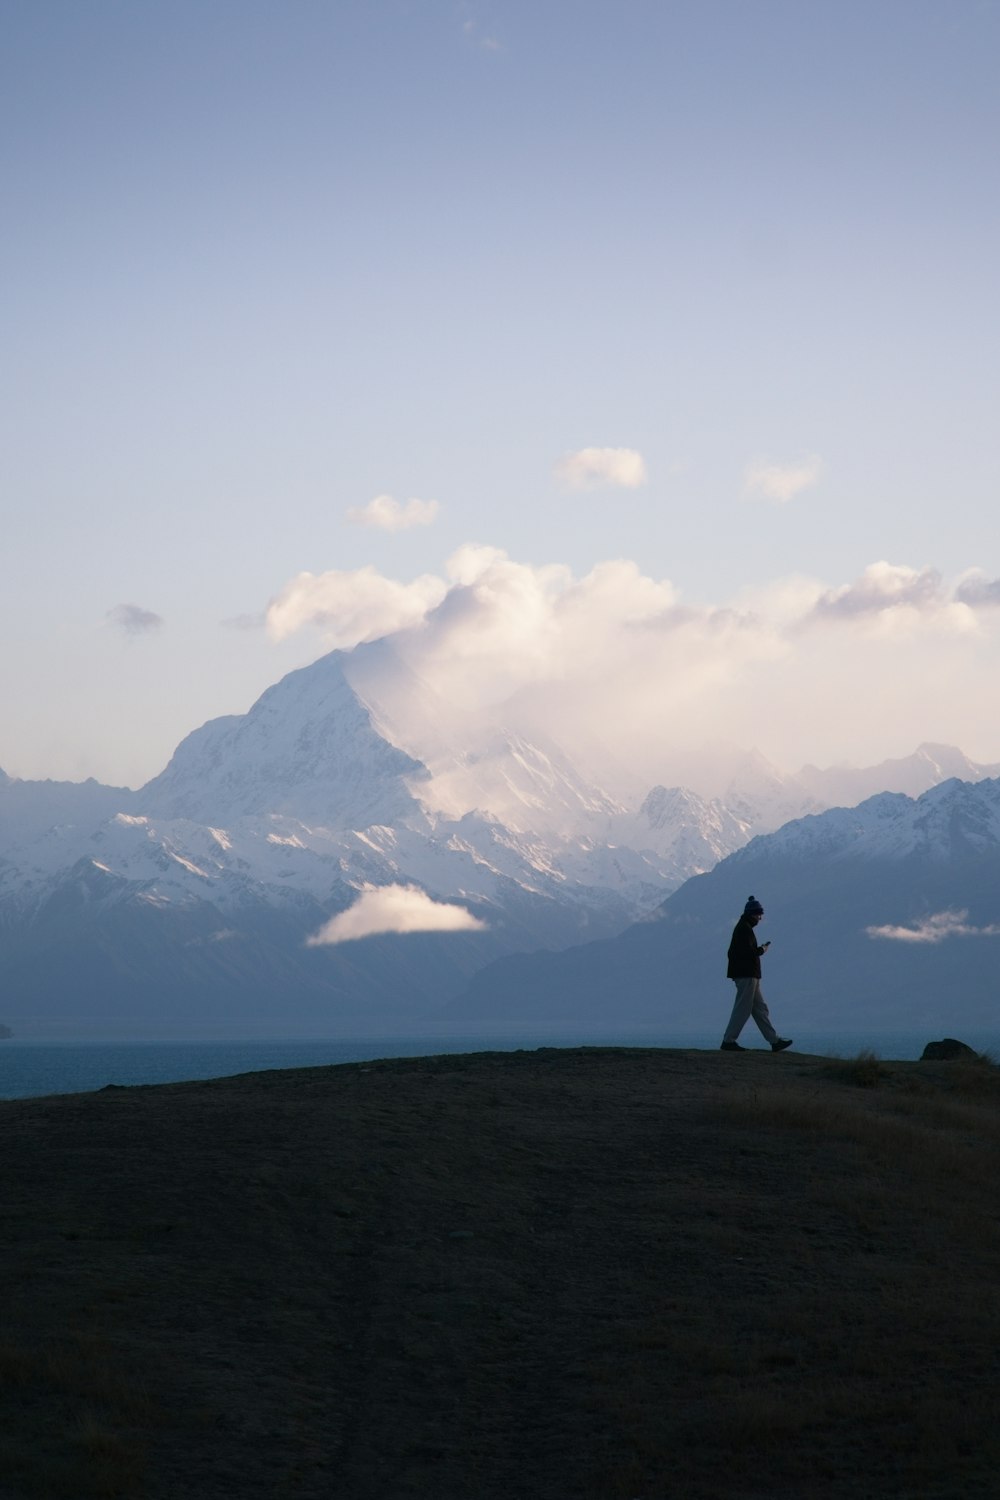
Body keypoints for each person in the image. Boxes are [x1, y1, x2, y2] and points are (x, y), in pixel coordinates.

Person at [720, 895, 792, 1052]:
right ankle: (728, 1041)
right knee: (743, 1008)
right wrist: (763, 949)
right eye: (758, 914)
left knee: (759, 1008)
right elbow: (750, 953)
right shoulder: (744, 930)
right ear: (752, 914)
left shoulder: (743, 928)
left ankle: (774, 1041)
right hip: (747, 974)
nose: (760, 918)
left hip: (748, 974)